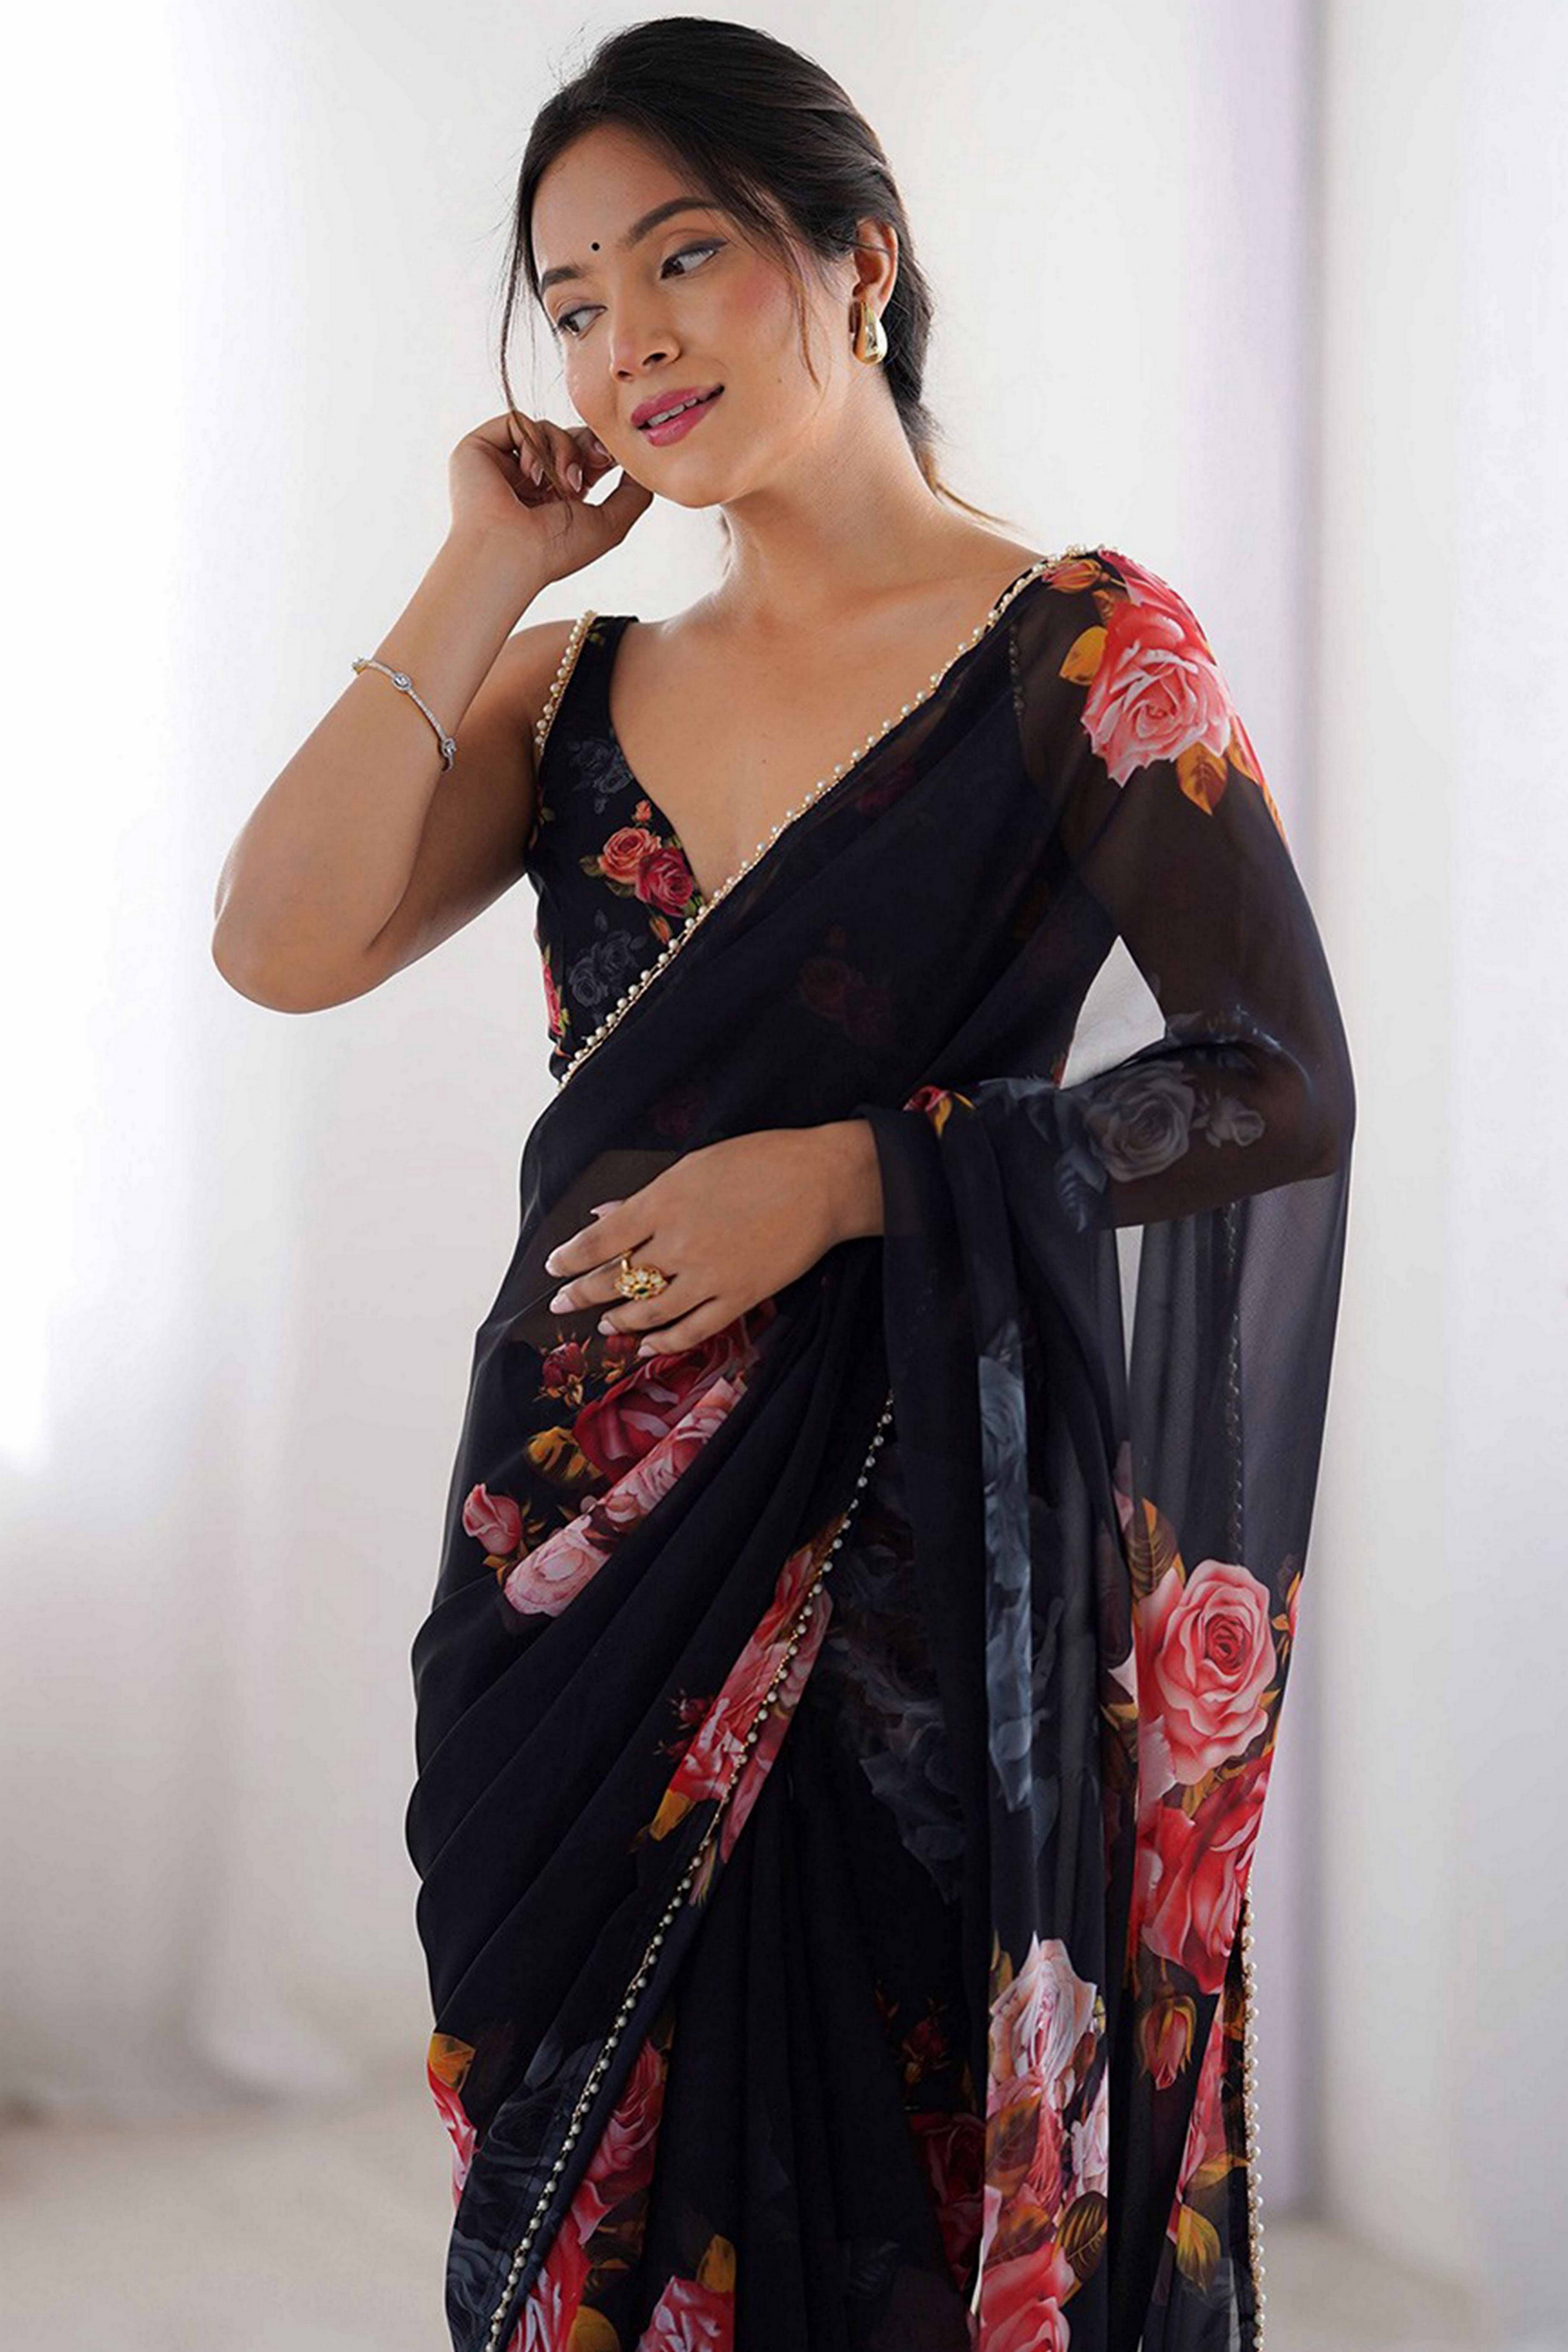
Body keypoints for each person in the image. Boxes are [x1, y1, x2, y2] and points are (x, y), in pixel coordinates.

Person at [211, 18, 1355, 2352]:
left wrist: (853, 1180)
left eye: (681, 260)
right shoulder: (574, 686)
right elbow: (278, 941)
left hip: (923, 1557)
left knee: (890, 2204)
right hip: (579, 1557)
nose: (624, 343)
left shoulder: (1082, 655)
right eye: (571, 304)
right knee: (598, 2204)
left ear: (859, 259)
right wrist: (480, 566)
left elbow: (1275, 1084)